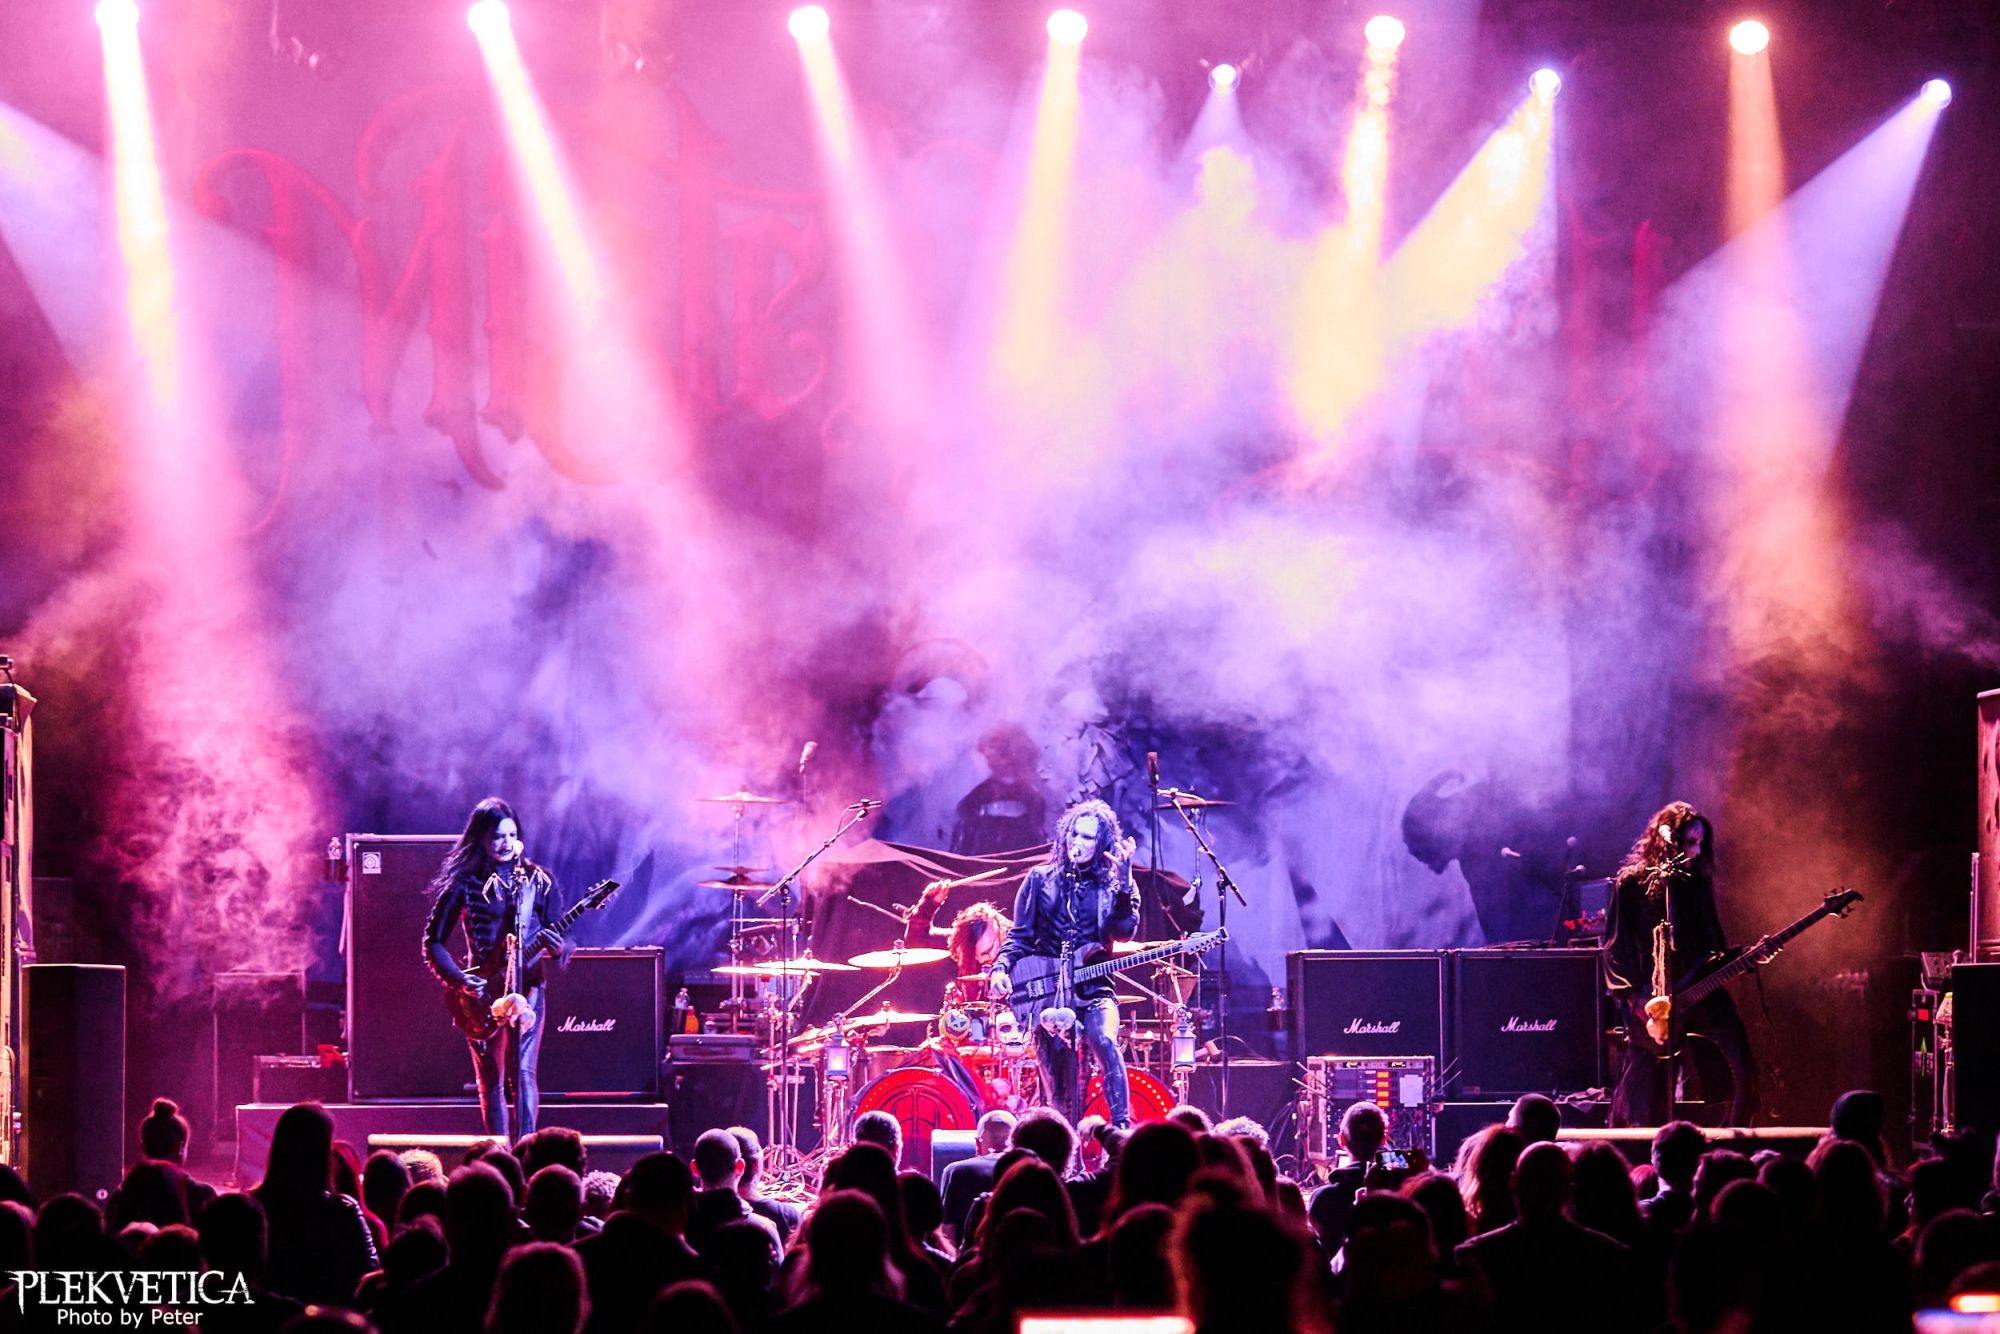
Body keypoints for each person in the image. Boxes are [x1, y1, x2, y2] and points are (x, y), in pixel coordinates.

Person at [1603, 801, 1760, 1127]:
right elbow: (1616, 948)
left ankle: (1732, 1135)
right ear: (1667, 841)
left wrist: (1743, 957)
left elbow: (1712, 946)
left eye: (1701, 843)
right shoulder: (1631, 883)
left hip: (1700, 990)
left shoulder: (1697, 883)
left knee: (1741, 1066)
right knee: (1645, 1092)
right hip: (1653, 1000)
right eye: (1690, 842)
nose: (1698, 851)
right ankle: (1643, 1145)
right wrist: (1633, 999)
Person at [424, 796, 571, 1140]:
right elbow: (433, 941)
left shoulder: (538, 880)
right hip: (482, 993)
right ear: (482, 839)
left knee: (524, 1073)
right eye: (497, 837)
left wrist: (560, 947)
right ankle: (499, 1153)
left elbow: (563, 936)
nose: (505, 843)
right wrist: (460, 981)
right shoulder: (464, 883)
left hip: (529, 986)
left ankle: (527, 1149)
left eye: (511, 835)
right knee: (492, 1079)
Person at [988, 799, 1139, 1127]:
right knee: (1059, 1092)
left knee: (1105, 1041)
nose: (1077, 842)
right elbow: (1020, 936)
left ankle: (1121, 1129)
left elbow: (1124, 933)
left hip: (1095, 989)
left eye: (1088, 837)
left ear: (1102, 844)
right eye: (1074, 834)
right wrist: (1000, 968)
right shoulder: (1039, 879)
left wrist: (1125, 886)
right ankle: (1064, 1146)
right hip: (1047, 994)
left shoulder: (1115, 885)